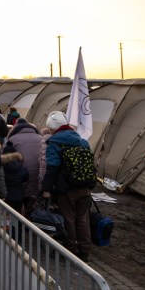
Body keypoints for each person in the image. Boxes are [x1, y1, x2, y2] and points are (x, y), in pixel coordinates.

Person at [41, 111, 93, 262]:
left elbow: (52, 168)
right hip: (85, 186)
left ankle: (70, 249)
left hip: (66, 188)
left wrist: (46, 189)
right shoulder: (82, 141)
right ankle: (84, 251)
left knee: (69, 218)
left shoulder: (54, 143)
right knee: (83, 218)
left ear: (52, 128)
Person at [4, 118, 42, 213]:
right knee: (34, 206)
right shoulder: (40, 138)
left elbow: (7, 159)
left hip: (21, 180)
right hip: (39, 177)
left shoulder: (13, 139)